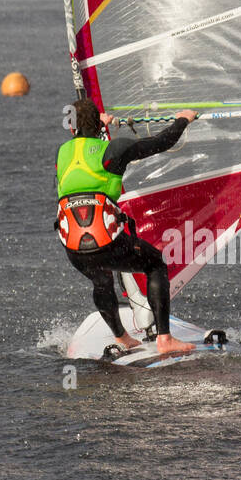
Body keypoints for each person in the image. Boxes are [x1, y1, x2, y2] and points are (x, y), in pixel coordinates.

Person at [56, 96, 197, 356]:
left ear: (72, 128)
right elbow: (162, 142)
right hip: (106, 243)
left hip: (74, 249)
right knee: (154, 264)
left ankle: (122, 337)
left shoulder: (62, 153)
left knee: (101, 280)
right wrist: (183, 119)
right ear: (98, 126)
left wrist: (99, 129)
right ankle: (165, 339)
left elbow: (86, 157)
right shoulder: (114, 150)